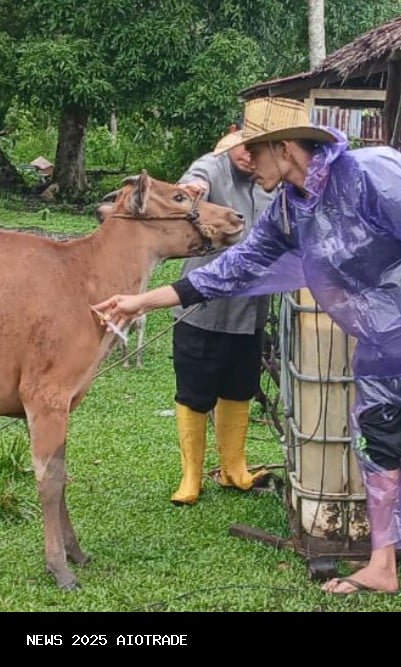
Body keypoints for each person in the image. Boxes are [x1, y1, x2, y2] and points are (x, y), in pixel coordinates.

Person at [93, 97, 401, 610]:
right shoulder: (289, 209)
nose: (247, 161)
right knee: (379, 453)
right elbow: (233, 269)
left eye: (254, 151)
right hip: (382, 351)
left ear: (283, 147)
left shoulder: (369, 173)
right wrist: (143, 300)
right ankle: (382, 566)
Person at [167, 124, 276, 506]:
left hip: (251, 311)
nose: (249, 155)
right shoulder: (211, 168)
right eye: (243, 147)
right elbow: (192, 183)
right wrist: (191, 190)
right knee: (194, 391)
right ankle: (191, 477)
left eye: (257, 148)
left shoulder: (270, 180)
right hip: (203, 308)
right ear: (230, 141)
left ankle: (234, 469)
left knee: (240, 387)